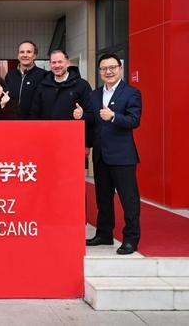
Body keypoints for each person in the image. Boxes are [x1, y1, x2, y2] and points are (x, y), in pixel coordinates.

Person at [81, 53, 142, 255]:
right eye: (104, 68)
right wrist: (82, 115)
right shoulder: (95, 94)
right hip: (101, 155)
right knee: (103, 198)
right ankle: (104, 234)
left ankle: (131, 238)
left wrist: (114, 116)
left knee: (128, 199)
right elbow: (93, 118)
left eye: (112, 67)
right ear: (99, 72)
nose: (108, 71)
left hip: (122, 156)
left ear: (120, 69)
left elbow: (134, 120)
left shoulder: (131, 93)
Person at [30, 49, 93, 148]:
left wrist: (87, 144)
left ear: (68, 63)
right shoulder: (42, 86)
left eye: (60, 62)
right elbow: (34, 115)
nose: (57, 65)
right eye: (54, 62)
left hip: (73, 141)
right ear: (50, 65)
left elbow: (92, 115)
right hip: (46, 140)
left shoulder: (81, 85)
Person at [5, 41, 47, 118]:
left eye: (29, 52)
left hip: (34, 122)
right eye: (22, 52)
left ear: (34, 56)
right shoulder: (10, 75)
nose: (25, 55)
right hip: (12, 121)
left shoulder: (44, 75)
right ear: (18, 56)